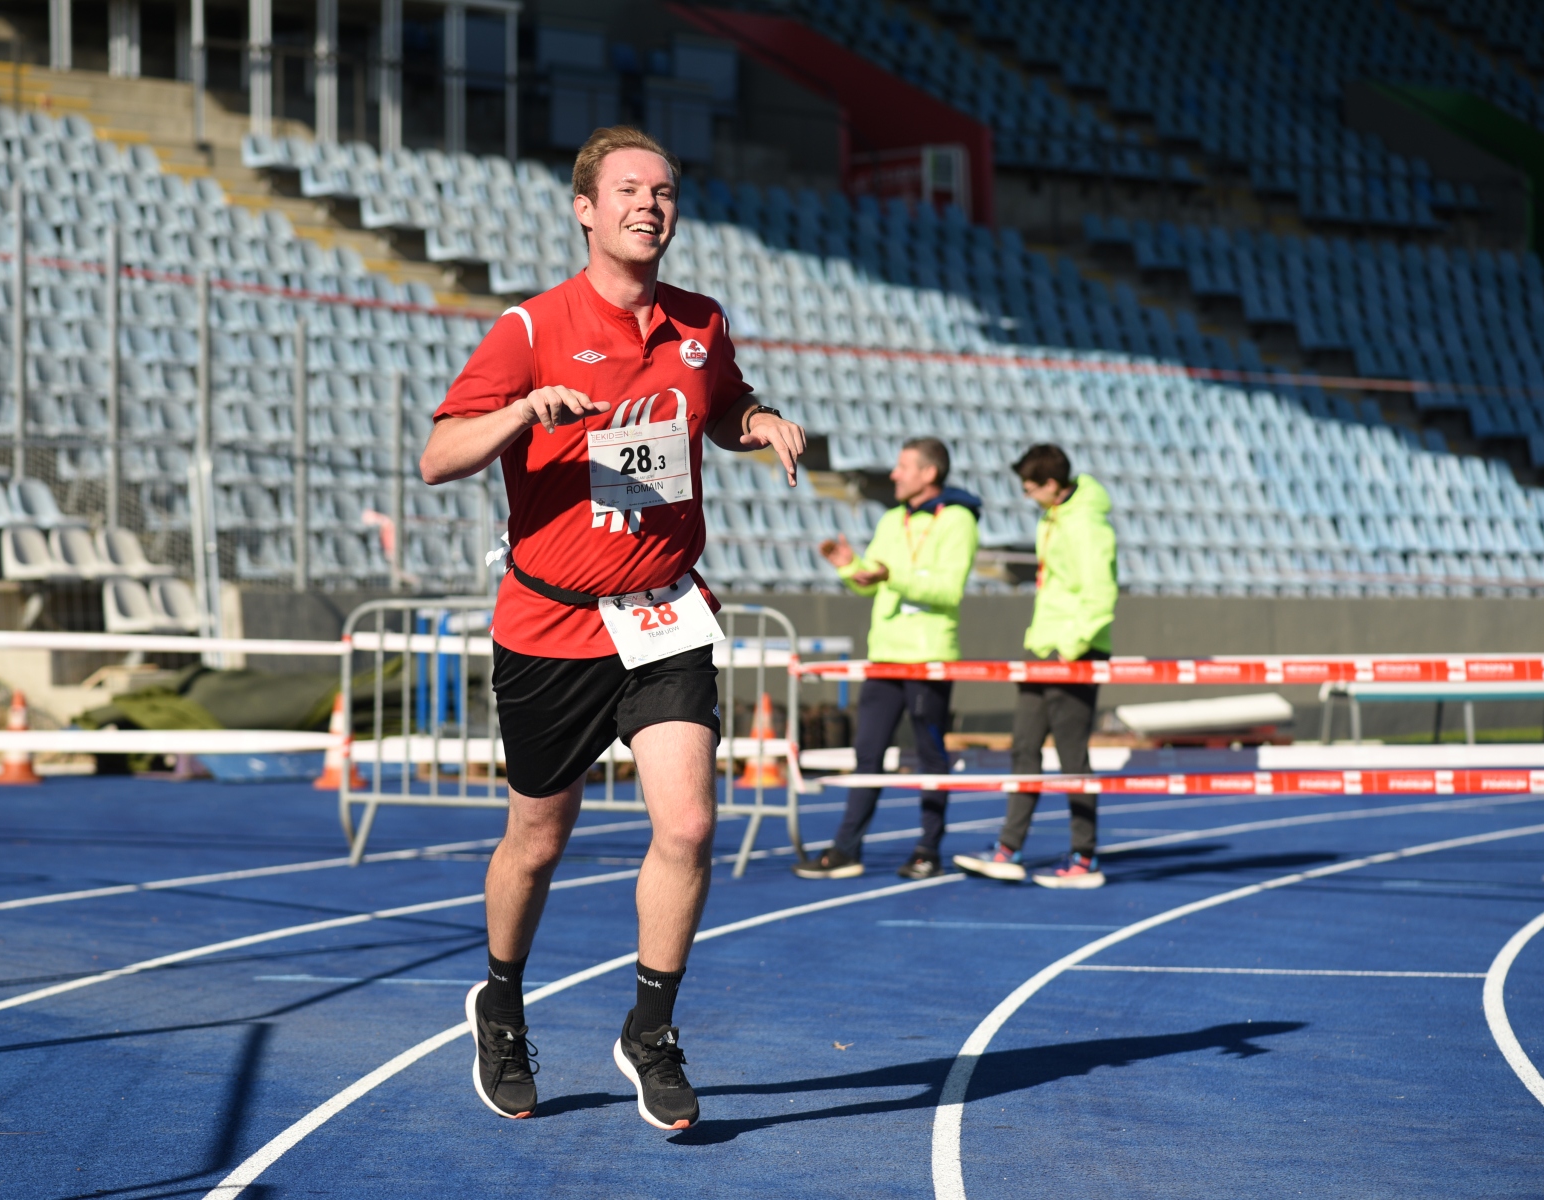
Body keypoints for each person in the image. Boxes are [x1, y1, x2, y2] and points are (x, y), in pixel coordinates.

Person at [421, 126, 807, 1130]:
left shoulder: (699, 321)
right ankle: (500, 1003)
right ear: (585, 209)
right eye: (629, 189)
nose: (649, 204)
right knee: (537, 839)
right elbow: (438, 457)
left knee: (688, 825)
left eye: (664, 190)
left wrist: (757, 423)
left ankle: (652, 1028)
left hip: (662, 613)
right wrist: (522, 413)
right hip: (552, 623)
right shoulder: (529, 327)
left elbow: (721, 405)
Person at [795, 437, 980, 881]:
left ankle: (927, 851)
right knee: (867, 754)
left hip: (929, 656)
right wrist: (848, 566)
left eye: (903, 466)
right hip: (884, 656)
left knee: (930, 756)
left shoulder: (958, 520)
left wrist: (890, 576)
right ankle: (846, 849)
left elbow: (948, 590)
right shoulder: (893, 518)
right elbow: (871, 583)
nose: (894, 474)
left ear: (929, 473)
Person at [954, 444, 1117, 889]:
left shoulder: (1086, 523)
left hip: (1073, 652)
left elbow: (1101, 592)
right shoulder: (1053, 517)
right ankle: (1009, 848)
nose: (1026, 496)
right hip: (1043, 647)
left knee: (1071, 756)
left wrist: (1073, 647)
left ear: (1051, 484)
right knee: (1024, 747)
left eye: (1030, 488)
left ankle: (1084, 857)